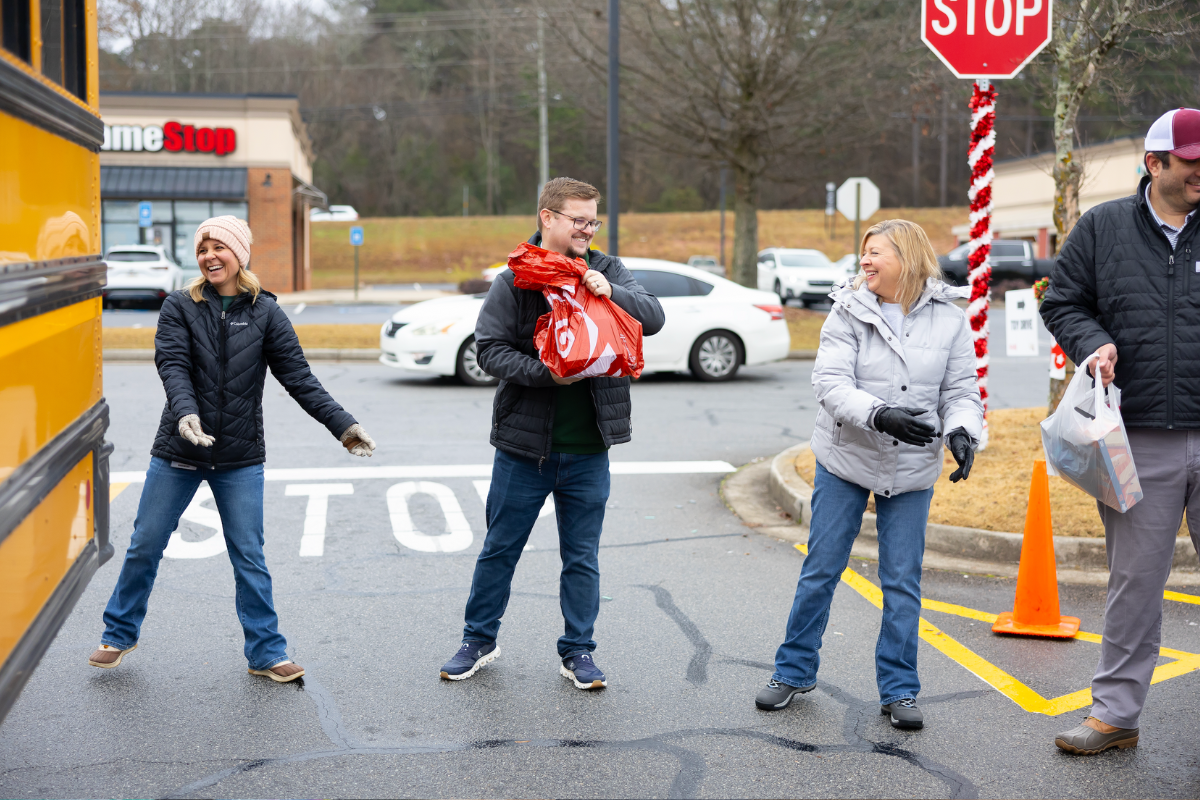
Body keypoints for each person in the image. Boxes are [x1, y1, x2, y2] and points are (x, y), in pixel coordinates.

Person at [89, 216, 376, 683]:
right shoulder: (180, 306)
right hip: (179, 450)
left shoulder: (266, 313)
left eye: (219, 246)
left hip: (239, 457)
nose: (209, 256)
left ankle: (266, 652)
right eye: (202, 248)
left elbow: (299, 378)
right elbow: (173, 364)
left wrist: (343, 426)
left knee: (249, 554)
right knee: (145, 543)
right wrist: (185, 413)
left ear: (239, 254)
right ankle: (118, 633)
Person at [754, 219, 983, 729]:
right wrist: (879, 414)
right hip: (846, 458)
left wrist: (964, 431)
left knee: (902, 581)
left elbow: (961, 390)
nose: (866, 261)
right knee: (821, 569)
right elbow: (830, 382)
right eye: (865, 252)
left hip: (912, 464)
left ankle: (900, 690)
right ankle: (792, 671)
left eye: (877, 252)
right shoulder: (848, 310)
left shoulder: (949, 319)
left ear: (908, 258)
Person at [438, 177, 665, 689]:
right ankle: (478, 640)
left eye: (593, 220)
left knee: (581, 558)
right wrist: (548, 373)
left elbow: (653, 318)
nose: (587, 229)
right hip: (525, 448)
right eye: (578, 220)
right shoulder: (516, 279)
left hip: (589, 448)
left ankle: (578, 652)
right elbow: (489, 349)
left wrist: (615, 293)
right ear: (548, 217)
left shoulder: (607, 269)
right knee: (500, 549)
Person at [1041, 108, 1200, 755]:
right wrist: (1094, 342)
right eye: (1191, 160)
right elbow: (1061, 299)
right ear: (1155, 163)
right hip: (1139, 439)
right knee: (1135, 582)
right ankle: (1115, 715)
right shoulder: (1104, 228)